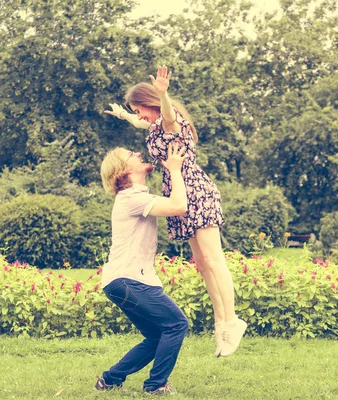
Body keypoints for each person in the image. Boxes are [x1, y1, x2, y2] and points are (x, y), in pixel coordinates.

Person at [105, 66, 247, 357]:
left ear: (151, 102)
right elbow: (142, 124)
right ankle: (220, 323)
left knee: (213, 258)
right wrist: (124, 115)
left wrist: (163, 93)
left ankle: (232, 320)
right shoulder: (154, 125)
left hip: (195, 189)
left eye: (140, 109)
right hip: (179, 189)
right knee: (202, 264)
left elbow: (166, 114)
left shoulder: (171, 121)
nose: (140, 115)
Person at [95, 143, 189, 395]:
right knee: (176, 324)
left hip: (122, 281)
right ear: (123, 171)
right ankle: (155, 386)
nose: (138, 153)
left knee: (157, 336)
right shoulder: (131, 198)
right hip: (127, 280)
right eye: (131, 155)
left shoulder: (135, 197)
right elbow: (179, 206)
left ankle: (109, 379)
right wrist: (176, 170)